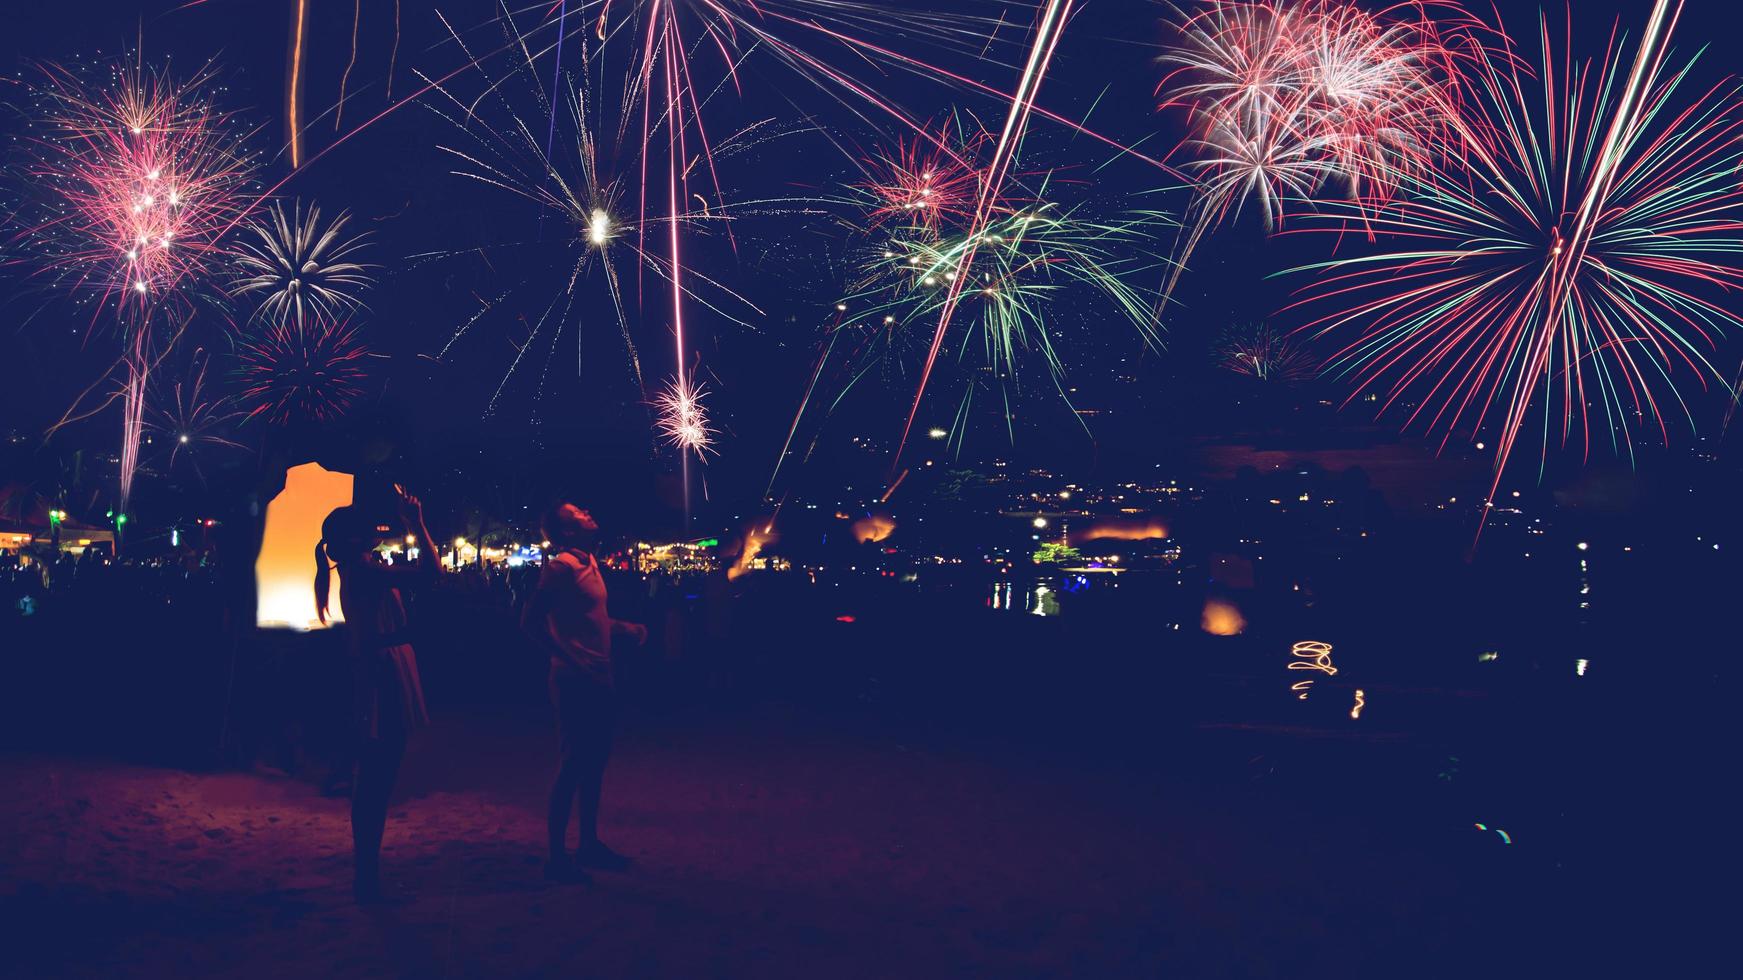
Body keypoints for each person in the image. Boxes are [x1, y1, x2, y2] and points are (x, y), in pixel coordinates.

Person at [315, 486, 436, 903]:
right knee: (375, 779)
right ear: (351, 539)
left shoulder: (361, 566)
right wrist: (416, 524)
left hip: (385, 665)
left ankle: (368, 872)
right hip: (383, 670)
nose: (373, 527)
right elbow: (432, 574)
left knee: (376, 776)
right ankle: (366, 875)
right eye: (365, 526)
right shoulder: (363, 569)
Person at [521, 501, 647, 882]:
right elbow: (529, 622)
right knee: (574, 763)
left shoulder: (588, 562)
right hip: (575, 680)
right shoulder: (561, 567)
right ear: (568, 531)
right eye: (579, 514)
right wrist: (571, 660)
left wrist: (621, 628)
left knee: (593, 764)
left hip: (599, 676)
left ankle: (588, 844)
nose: (590, 514)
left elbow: (583, 619)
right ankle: (557, 859)